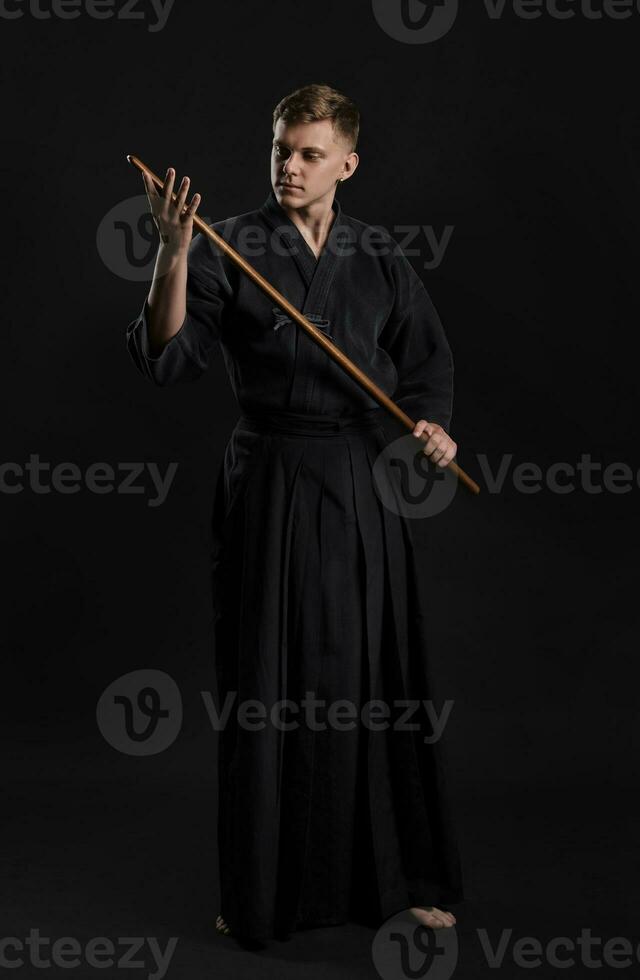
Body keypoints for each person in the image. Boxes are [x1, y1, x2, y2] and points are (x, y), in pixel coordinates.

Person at [126, 82, 464, 945]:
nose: (291, 165)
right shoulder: (225, 246)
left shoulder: (382, 259)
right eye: (282, 148)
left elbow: (425, 370)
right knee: (266, 688)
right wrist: (170, 254)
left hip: (358, 483)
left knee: (368, 684)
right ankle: (261, 895)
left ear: (346, 163)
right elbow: (168, 358)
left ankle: (397, 877)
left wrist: (433, 430)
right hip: (268, 478)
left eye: (311, 153)